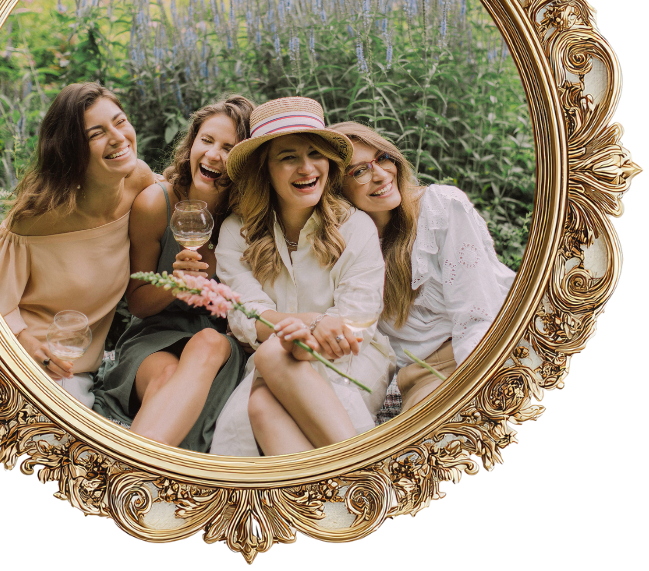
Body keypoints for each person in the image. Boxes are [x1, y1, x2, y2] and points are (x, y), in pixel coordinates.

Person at [210, 97, 396, 457]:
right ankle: (346, 479)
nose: (306, 168)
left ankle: (353, 466)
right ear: (265, 169)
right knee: (263, 393)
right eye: (288, 157)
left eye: (315, 154)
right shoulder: (238, 231)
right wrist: (311, 322)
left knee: (270, 367)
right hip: (274, 360)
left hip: (349, 360)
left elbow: (357, 319)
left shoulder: (354, 226)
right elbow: (245, 314)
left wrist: (299, 333)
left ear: (328, 161)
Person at [0, 82, 156, 408]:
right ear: (71, 148)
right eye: (96, 134)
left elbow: (183, 204)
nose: (118, 137)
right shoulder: (38, 216)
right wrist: (26, 344)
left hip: (71, 370)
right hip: (13, 351)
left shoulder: (139, 181)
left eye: (120, 121)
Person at [92, 95, 254, 452]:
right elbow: (138, 304)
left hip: (218, 344)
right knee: (165, 377)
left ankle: (129, 469)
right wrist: (176, 285)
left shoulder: (248, 223)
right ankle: (141, 463)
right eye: (207, 140)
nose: (213, 154)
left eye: (229, 147)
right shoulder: (156, 204)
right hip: (154, 335)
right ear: (192, 143)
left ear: (246, 160)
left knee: (209, 342)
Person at [331, 122, 517, 412]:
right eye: (359, 171)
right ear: (336, 189)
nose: (380, 175)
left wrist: (480, 389)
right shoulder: (344, 245)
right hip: (420, 374)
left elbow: (478, 316)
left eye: (382, 158)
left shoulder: (440, 207)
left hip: (488, 345)